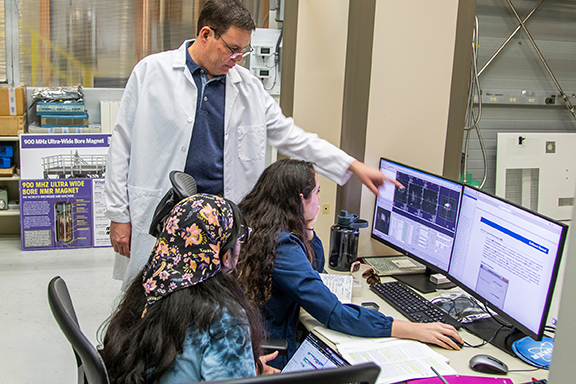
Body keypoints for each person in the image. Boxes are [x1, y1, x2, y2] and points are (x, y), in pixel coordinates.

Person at [104, 0, 400, 291]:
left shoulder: (248, 88)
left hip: (220, 225)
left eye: (244, 50)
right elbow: (122, 146)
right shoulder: (151, 73)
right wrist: (119, 216)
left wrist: (351, 165)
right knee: (151, 303)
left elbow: (291, 136)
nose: (238, 58)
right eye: (232, 49)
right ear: (206, 35)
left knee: (214, 306)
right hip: (165, 217)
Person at [235, 159, 463, 369]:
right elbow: (335, 314)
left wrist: (308, 228)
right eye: (317, 192)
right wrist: (411, 329)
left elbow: (312, 268)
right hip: (265, 353)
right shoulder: (281, 245)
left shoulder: (257, 223)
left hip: (250, 338)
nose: (319, 199)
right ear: (299, 199)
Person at [100, 194, 275, 383]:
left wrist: (243, 364)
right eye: (239, 238)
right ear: (224, 255)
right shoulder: (224, 319)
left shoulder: (147, 288)